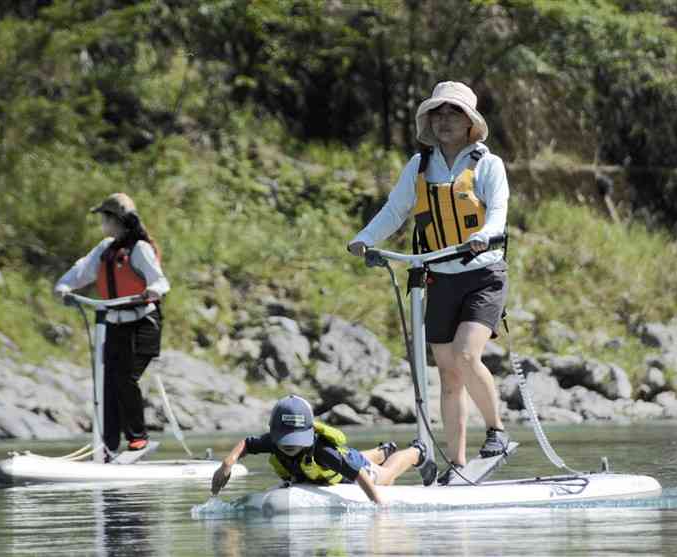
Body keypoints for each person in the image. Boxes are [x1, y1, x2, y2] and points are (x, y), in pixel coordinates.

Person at [348, 81, 510, 485]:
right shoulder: (419, 165)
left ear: (470, 122)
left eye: (453, 113)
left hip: (482, 273)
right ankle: (455, 464)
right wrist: (365, 239)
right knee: (449, 373)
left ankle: (498, 434)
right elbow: (395, 210)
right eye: (437, 114)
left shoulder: (487, 164)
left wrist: (484, 234)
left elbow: (499, 213)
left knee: (467, 356)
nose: (444, 121)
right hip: (438, 276)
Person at [54, 193, 169, 460]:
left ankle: (137, 438)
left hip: (143, 325)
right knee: (105, 383)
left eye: (105, 218)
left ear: (117, 220)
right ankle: (106, 444)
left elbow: (160, 282)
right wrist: (64, 286)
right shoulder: (105, 248)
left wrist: (152, 290)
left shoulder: (139, 249)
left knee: (124, 378)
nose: (102, 224)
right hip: (113, 325)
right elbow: (81, 270)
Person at [211, 395, 436, 504]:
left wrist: (378, 506)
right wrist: (227, 464)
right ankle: (382, 450)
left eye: (295, 440)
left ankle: (416, 452)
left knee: (385, 477)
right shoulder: (271, 441)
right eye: (285, 439)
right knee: (350, 457)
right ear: (274, 433)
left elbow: (358, 474)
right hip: (339, 462)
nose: (290, 445)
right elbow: (247, 445)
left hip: (348, 469)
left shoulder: (322, 451)